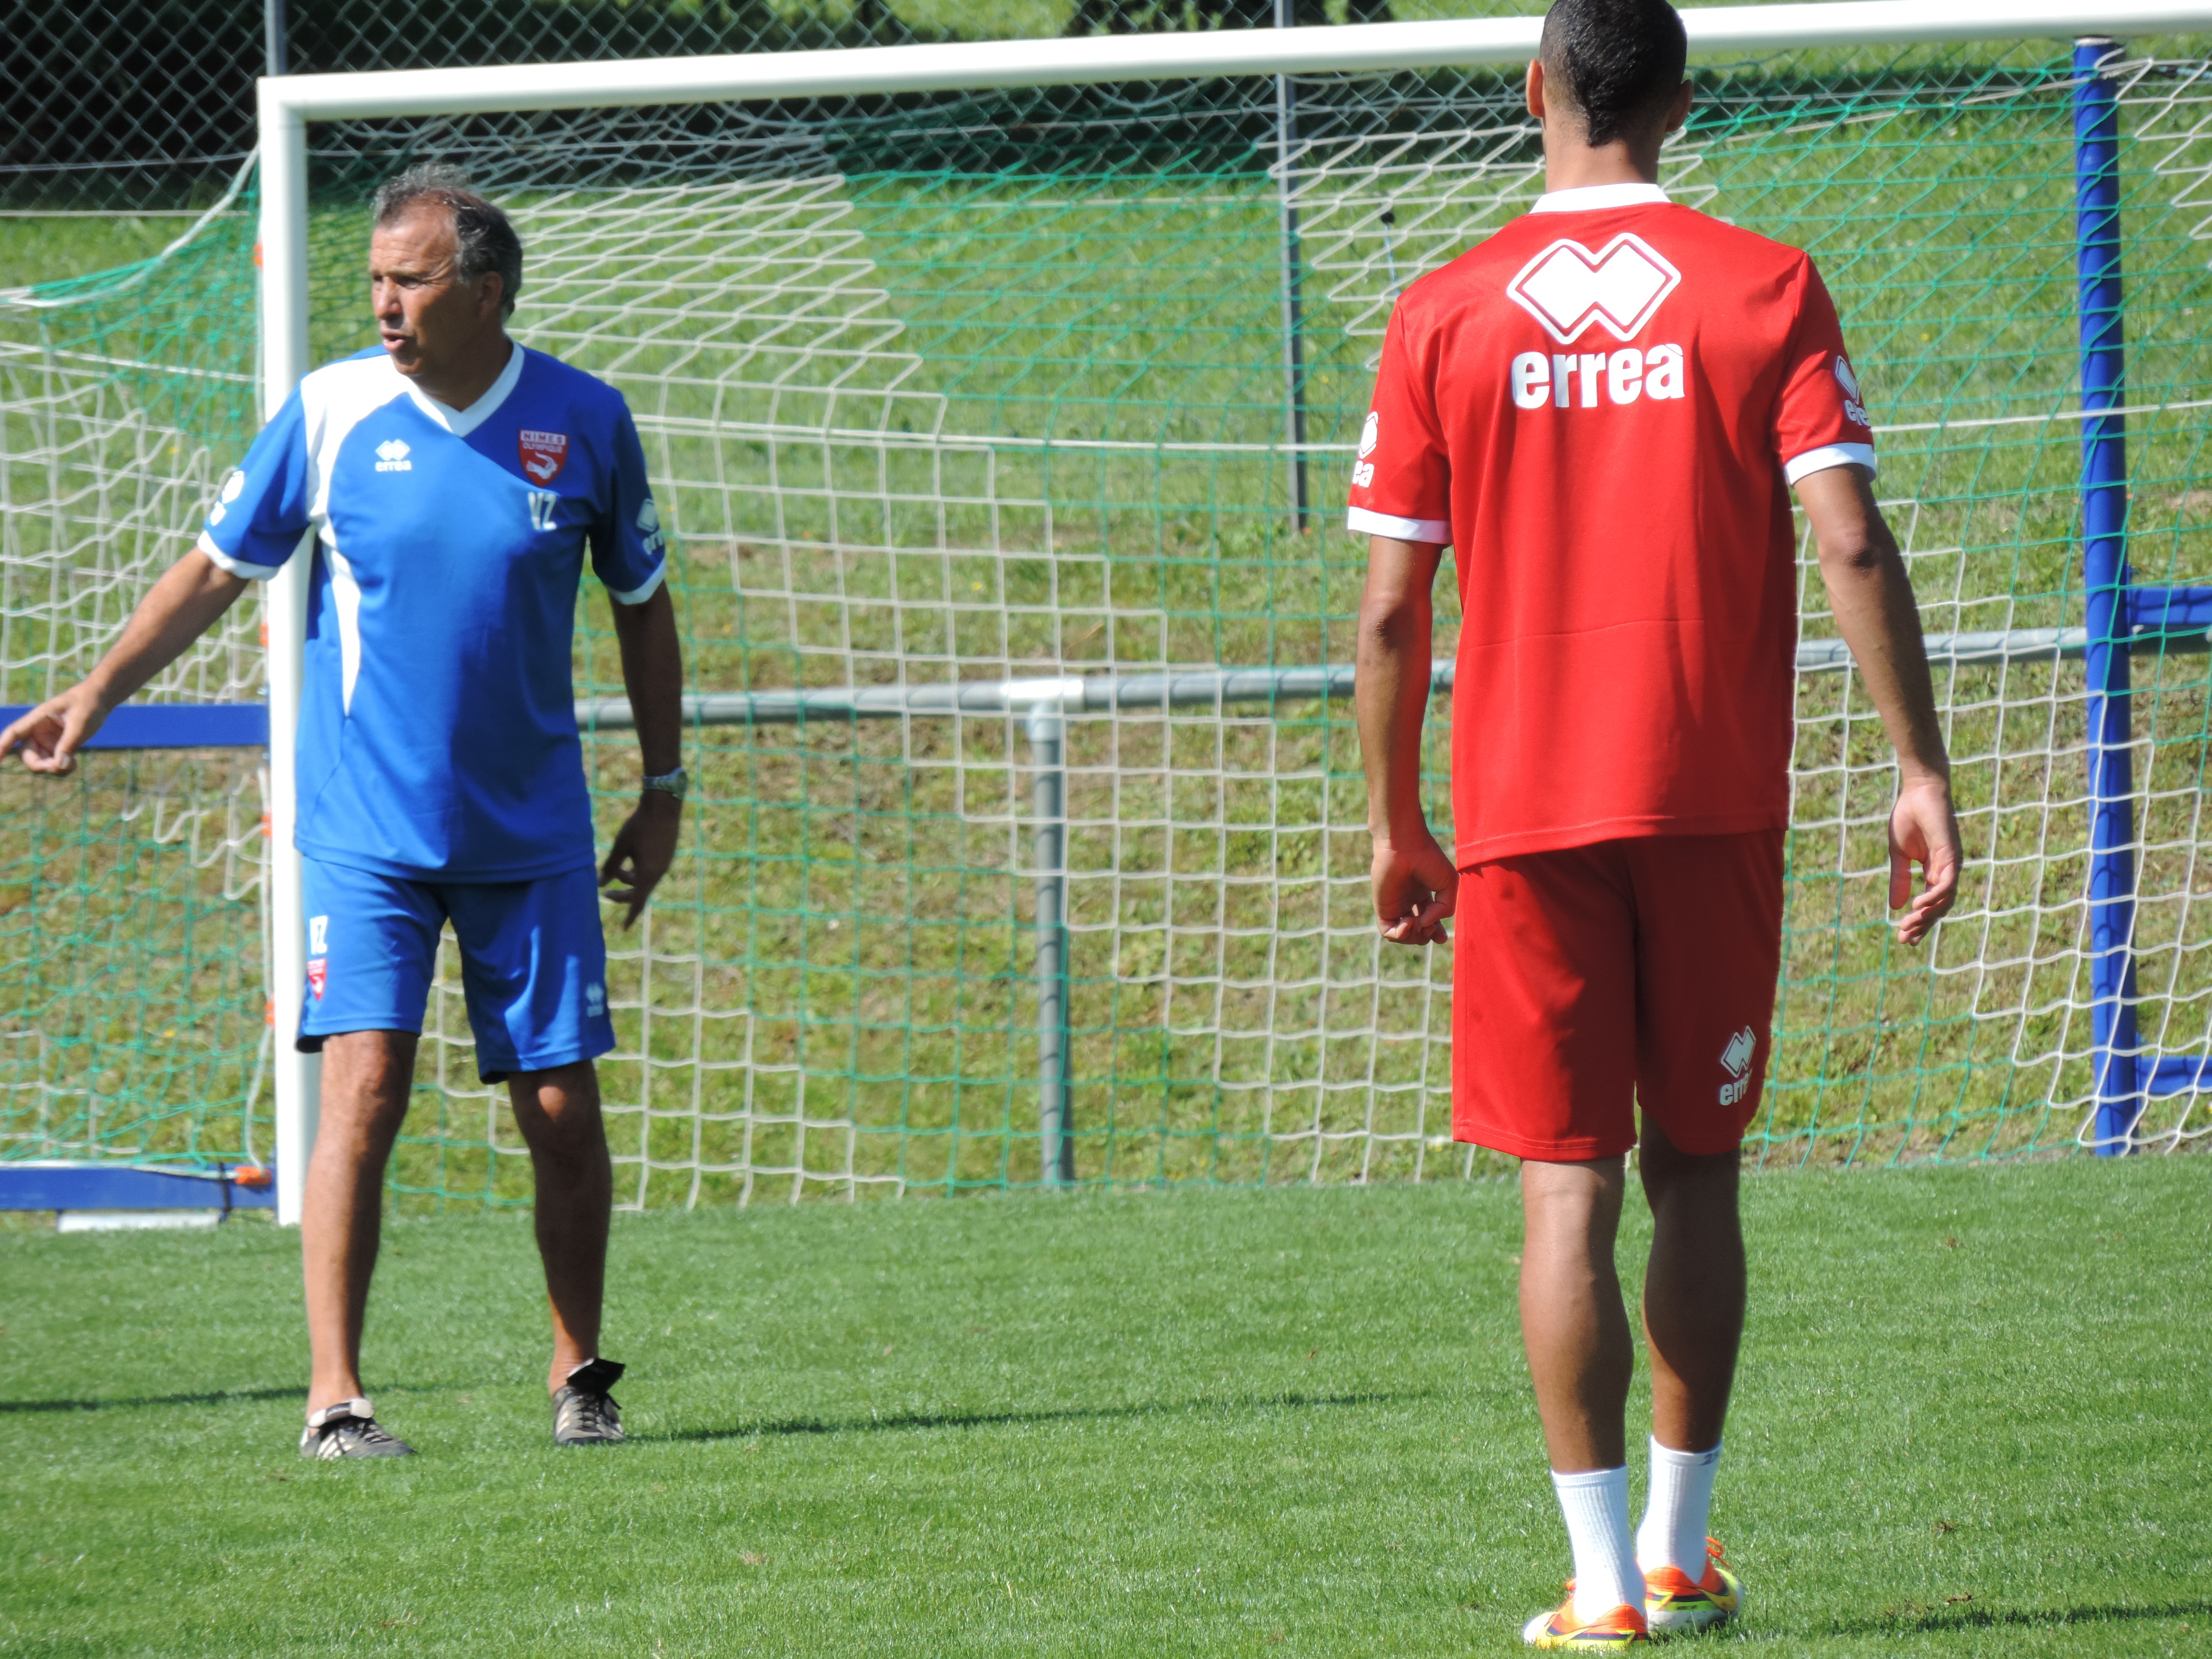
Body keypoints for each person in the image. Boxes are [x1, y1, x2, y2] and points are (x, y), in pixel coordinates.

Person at [1349, 0, 1962, 1646]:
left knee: (1566, 1188)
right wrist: (1920, 769)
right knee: (1699, 1172)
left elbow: (1396, 614)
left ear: (1535, 90)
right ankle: (1687, 1557)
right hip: (1706, 802)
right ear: (1682, 100)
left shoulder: (1442, 311)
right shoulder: (1764, 283)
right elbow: (1846, 539)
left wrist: (1402, 821)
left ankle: (1604, 1587)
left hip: (1523, 816)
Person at [0, 165, 687, 1460]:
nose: (382, 301)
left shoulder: (585, 418)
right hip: (365, 831)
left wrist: (663, 789)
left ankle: (578, 1379)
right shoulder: (326, 413)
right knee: (363, 1090)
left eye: (409, 279)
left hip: (531, 832)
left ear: (483, 291)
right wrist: (91, 694)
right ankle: (336, 1402)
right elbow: (218, 568)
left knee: (561, 1111)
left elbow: (642, 603)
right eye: (373, 277)